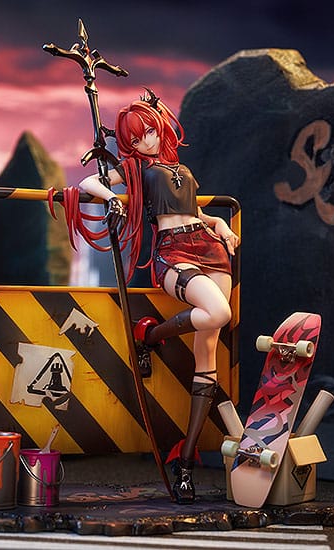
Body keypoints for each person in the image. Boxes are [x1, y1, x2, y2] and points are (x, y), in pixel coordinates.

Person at [76, 90, 239, 504]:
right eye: (136, 137)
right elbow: (88, 182)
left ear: (160, 127)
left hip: (211, 249)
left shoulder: (177, 166)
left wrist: (218, 223)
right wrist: (111, 198)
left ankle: (185, 463)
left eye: (149, 131)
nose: (145, 140)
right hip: (172, 254)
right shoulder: (134, 168)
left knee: (208, 354)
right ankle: (149, 336)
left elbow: (194, 211)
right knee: (217, 312)